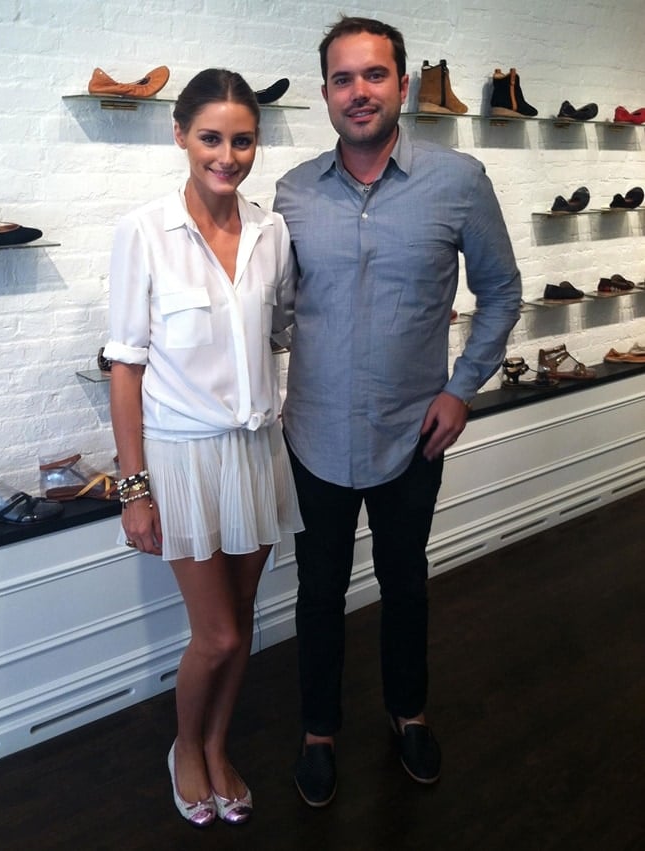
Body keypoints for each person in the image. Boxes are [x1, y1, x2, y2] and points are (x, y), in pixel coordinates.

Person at [273, 16, 522, 807]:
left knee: (406, 580)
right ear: (325, 94)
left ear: (403, 84)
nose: (359, 92)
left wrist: (462, 388)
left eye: (374, 75)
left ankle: (408, 713)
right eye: (343, 79)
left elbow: (502, 292)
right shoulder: (292, 194)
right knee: (317, 591)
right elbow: (272, 308)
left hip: (413, 431)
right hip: (313, 433)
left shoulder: (459, 181)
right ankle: (318, 731)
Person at [104, 68, 303, 828]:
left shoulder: (271, 231)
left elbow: (279, 332)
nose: (228, 155)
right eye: (211, 137)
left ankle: (219, 744)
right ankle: (185, 746)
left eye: (243, 139)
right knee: (214, 633)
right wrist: (134, 489)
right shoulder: (144, 231)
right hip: (181, 457)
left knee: (244, 615)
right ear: (180, 134)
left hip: (256, 451)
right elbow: (126, 365)